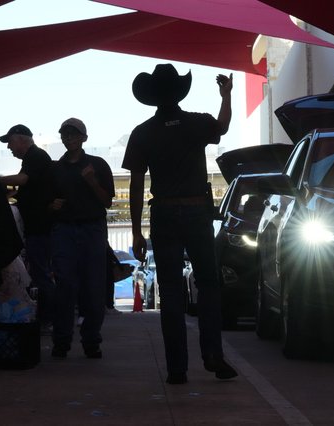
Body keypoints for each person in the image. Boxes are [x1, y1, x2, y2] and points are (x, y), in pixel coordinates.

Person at [122, 64, 238, 384]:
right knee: (209, 285)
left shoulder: (142, 132)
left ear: (152, 97)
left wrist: (135, 230)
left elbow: (135, 184)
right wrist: (226, 96)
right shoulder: (196, 123)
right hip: (197, 212)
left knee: (171, 291)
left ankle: (177, 369)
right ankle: (213, 355)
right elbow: (223, 126)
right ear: (178, 92)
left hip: (163, 215)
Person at [49, 118, 115, 359]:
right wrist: (51, 205)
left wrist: (91, 181)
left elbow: (106, 201)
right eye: (65, 134)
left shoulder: (98, 165)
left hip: (91, 228)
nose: (69, 138)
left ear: (84, 138)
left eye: (74, 134)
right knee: (65, 286)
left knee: (93, 287)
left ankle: (91, 340)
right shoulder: (56, 169)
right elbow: (45, 200)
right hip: (65, 229)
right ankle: (62, 340)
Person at [0, 124, 55, 333]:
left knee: (41, 274)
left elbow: (23, 180)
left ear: (22, 140)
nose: (10, 148)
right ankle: (50, 318)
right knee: (40, 273)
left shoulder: (35, 156)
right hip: (36, 228)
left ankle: (49, 318)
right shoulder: (31, 159)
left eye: (10, 142)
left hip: (40, 228)